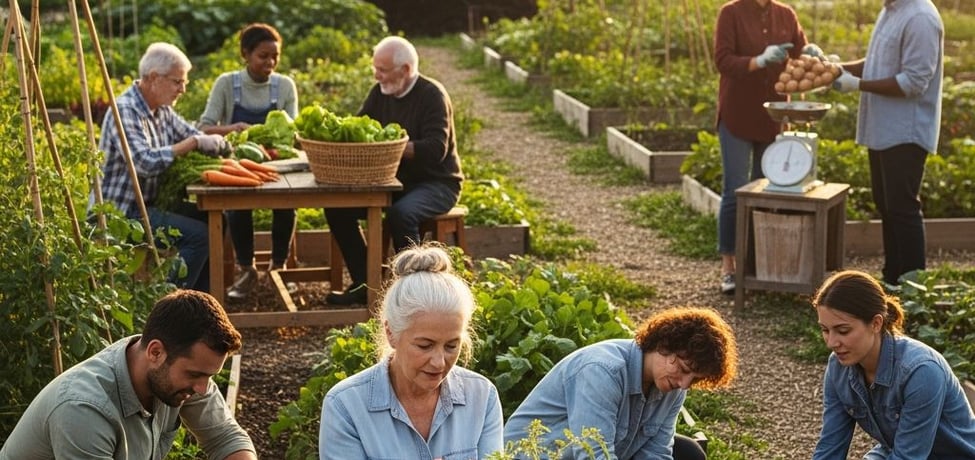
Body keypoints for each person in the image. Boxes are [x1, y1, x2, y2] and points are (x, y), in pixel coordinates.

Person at [0, 290, 256, 459]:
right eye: (195, 375)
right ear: (156, 352)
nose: (203, 388)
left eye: (209, 377)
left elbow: (226, 439)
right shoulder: (83, 410)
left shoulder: (176, 373)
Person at [318, 243, 503, 458]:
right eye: (425, 346)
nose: (439, 362)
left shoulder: (482, 397)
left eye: (452, 346)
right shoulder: (346, 406)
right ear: (391, 333)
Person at [324, 36, 463, 305]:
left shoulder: (432, 95)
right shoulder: (380, 93)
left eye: (383, 70)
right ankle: (366, 283)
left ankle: (413, 293)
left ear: (406, 70)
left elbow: (436, 150)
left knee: (401, 214)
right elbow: (361, 129)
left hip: (438, 183)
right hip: (393, 182)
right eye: (375, 68)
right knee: (337, 208)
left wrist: (393, 146)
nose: (377, 76)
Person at [503, 307, 739, 459]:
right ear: (664, 345)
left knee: (688, 453)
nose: (685, 384)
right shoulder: (602, 370)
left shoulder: (672, 387)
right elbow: (592, 455)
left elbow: (656, 453)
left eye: (695, 379)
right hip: (541, 455)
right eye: (684, 369)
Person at [92, 42, 228, 292]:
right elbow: (143, 162)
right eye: (178, 82)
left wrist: (221, 145)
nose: (183, 89)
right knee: (200, 236)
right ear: (154, 78)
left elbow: (192, 133)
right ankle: (168, 307)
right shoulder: (125, 110)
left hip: (150, 205)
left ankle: (201, 303)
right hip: (122, 213)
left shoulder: (161, 110)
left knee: (219, 221)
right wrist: (192, 143)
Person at [831, 0, 943, 286]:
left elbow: (914, 81)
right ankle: (892, 278)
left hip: (905, 130)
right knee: (886, 203)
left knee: (902, 207)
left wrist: (858, 85)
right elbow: (878, 64)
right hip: (882, 128)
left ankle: (914, 287)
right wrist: (838, 68)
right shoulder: (890, 11)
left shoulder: (920, 17)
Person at [812, 270, 975, 458]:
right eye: (825, 330)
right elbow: (830, 446)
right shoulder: (838, 368)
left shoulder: (921, 371)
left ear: (875, 323)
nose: (832, 342)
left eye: (843, 331)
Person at [713, 0, 813, 294]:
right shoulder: (730, 13)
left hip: (773, 117)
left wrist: (810, 53)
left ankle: (757, 265)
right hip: (737, 113)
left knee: (764, 189)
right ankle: (729, 266)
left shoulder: (785, 14)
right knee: (735, 189)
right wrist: (758, 60)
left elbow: (800, 49)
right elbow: (723, 60)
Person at [199, 23, 299, 300]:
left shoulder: (285, 86)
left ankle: (278, 268)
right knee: (237, 206)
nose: (270, 62)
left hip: (278, 164)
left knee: (288, 203)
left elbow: (293, 131)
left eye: (275, 56)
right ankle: (247, 270)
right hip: (239, 165)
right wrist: (232, 129)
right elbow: (204, 127)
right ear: (245, 54)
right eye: (263, 56)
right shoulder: (227, 84)